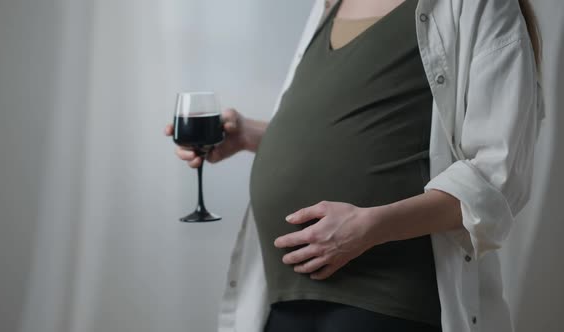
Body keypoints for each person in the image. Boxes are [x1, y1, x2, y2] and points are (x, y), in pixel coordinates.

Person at [165, 0, 543, 331]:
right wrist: (249, 135)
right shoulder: (331, 5)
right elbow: (348, 134)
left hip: (387, 298)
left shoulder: (479, 5)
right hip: (283, 294)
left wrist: (371, 227)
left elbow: (497, 177)